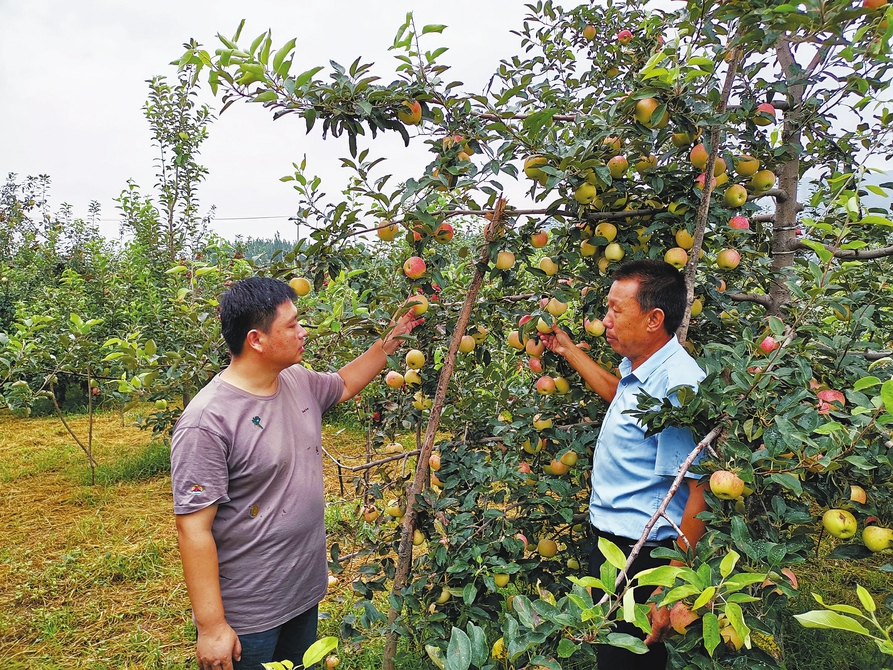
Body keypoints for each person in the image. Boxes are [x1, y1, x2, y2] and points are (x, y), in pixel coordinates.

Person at [170, 277, 423, 670]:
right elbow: (193, 529)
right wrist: (212, 625)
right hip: (249, 612)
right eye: (291, 325)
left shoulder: (296, 380)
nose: (303, 332)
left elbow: (343, 383)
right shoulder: (208, 421)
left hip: (302, 591)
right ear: (256, 340)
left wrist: (391, 339)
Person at [540, 259, 708, 669]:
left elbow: (699, 490)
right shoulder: (644, 370)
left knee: (628, 659)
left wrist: (669, 583)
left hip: (644, 552)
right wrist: (568, 350)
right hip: (615, 543)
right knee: (614, 651)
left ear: (654, 319)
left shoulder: (679, 385)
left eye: (617, 310)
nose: (606, 320)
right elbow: (622, 398)